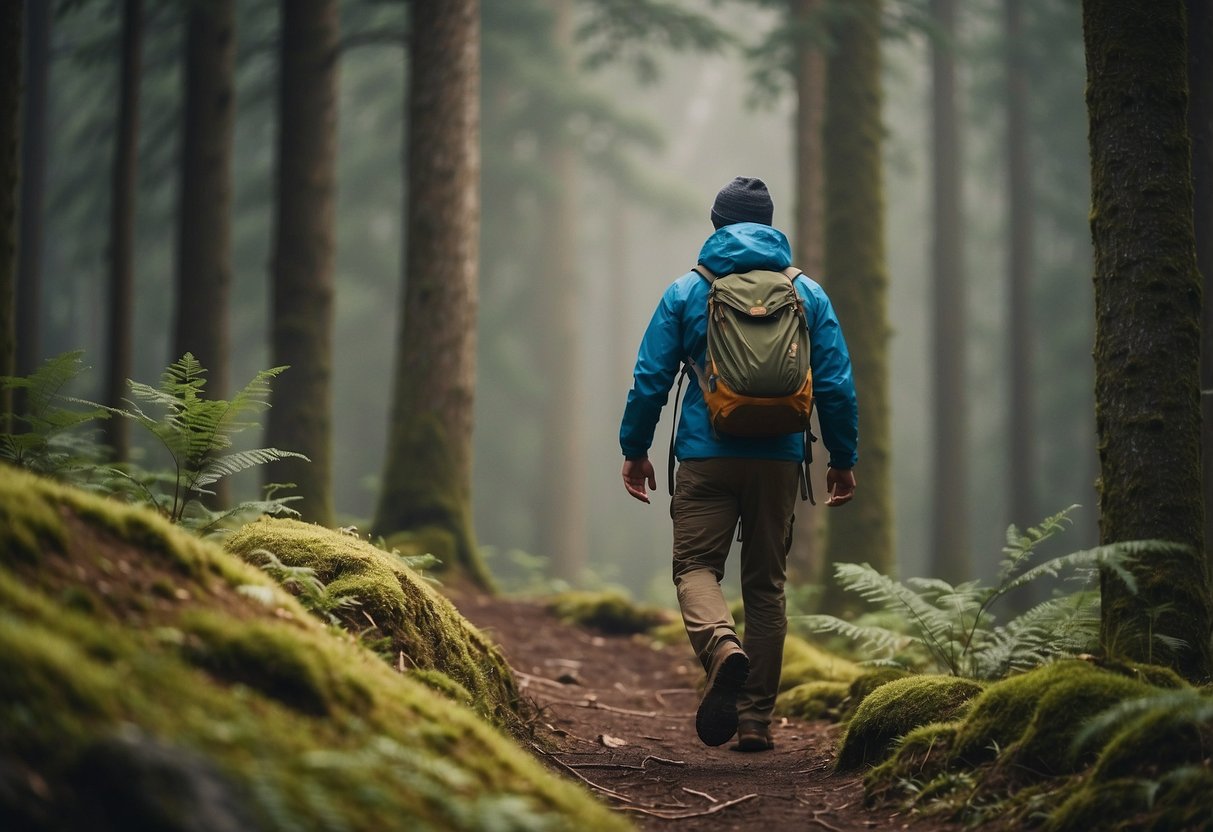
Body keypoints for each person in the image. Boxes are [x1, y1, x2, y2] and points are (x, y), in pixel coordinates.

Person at [619, 176, 858, 752]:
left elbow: (650, 377)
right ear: (771, 224)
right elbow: (836, 384)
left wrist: (635, 450)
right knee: (767, 587)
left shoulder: (688, 290)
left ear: (717, 224)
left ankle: (722, 646)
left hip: (706, 456)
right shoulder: (807, 293)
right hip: (779, 458)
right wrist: (842, 459)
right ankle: (755, 720)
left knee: (696, 568)